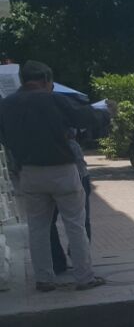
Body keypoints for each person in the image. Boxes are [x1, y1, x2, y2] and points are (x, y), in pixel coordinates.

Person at [0, 61, 104, 291]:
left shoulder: (6, 105)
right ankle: (84, 277)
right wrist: (105, 113)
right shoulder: (54, 100)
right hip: (62, 170)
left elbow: (5, 137)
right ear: (47, 80)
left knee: (38, 227)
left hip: (29, 172)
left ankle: (44, 279)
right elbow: (85, 118)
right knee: (75, 224)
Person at [49, 128, 92, 274]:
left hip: (41, 174)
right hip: (75, 176)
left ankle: (57, 263)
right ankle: (82, 266)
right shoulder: (64, 108)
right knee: (80, 221)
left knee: (46, 223)